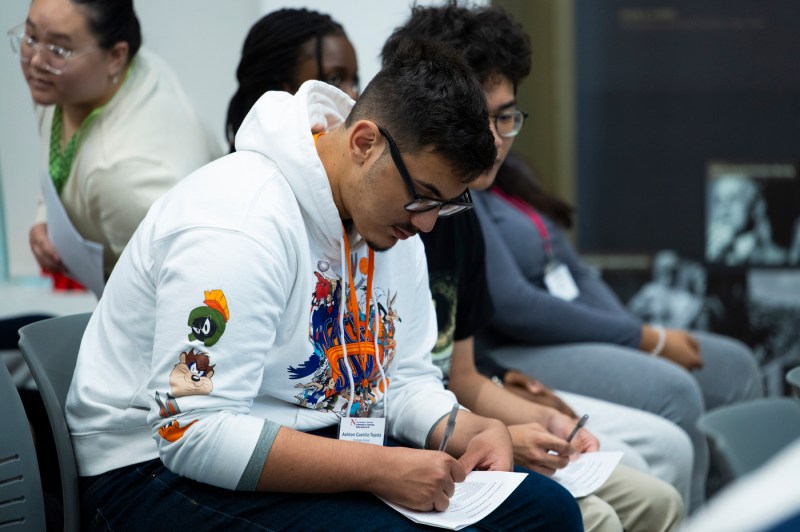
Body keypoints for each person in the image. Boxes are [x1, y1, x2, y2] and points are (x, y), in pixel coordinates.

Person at [64, 39, 583, 530]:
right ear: (364, 143)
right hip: (147, 473)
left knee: (545, 512)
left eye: (446, 204)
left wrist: (461, 427)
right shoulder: (238, 221)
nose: (427, 224)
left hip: (312, 439)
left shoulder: (388, 226)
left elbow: (401, 379)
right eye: (424, 196)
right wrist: (377, 467)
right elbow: (191, 432)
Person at [384, 4, 685, 530]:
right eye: (483, 118)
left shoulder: (462, 217)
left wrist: (542, 418)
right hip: (422, 441)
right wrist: (496, 430)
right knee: (602, 509)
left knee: (656, 492)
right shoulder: (386, 220)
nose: (496, 139)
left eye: (508, 116)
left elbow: (462, 376)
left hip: (453, 422)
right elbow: (384, 399)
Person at [471, 143, 763, 512]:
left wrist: (631, 332)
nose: (499, 136)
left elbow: (575, 272)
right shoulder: (468, 193)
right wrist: (643, 339)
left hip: (573, 333)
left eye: (509, 117)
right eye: (491, 116)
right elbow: (514, 305)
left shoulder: (511, 178)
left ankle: (748, 514)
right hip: (513, 346)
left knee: (734, 365)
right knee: (676, 392)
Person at [13, 0, 221, 285]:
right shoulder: (67, 86)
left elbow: (177, 292)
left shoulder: (123, 176)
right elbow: (59, 159)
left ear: (115, 56)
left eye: (59, 49)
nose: (36, 61)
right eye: (31, 37)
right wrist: (44, 216)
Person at [225, 8, 359, 152]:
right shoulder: (246, 172)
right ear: (278, 89)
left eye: (355, 82)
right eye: (334, 79)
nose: (353, 96)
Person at [706, 174, 787, 266]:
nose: (722, 210)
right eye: (719, 201)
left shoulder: (778, 259)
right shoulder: (711, 252)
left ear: (757, 206)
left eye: (732, 199)